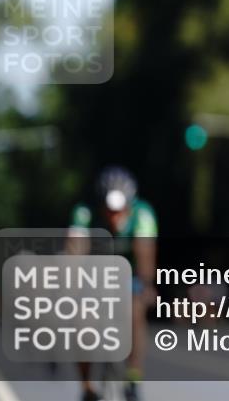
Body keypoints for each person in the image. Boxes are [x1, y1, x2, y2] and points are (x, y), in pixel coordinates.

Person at [68, 166, 158, 401]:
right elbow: (75, 254)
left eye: (120, 211)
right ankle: (87, 386)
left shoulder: (142, 214)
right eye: (109, 211)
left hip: (128, 277)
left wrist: (146, 285)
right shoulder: (84, 214)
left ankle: (133, 374)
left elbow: (145, 257)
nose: (114, 217)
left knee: (134, 313)